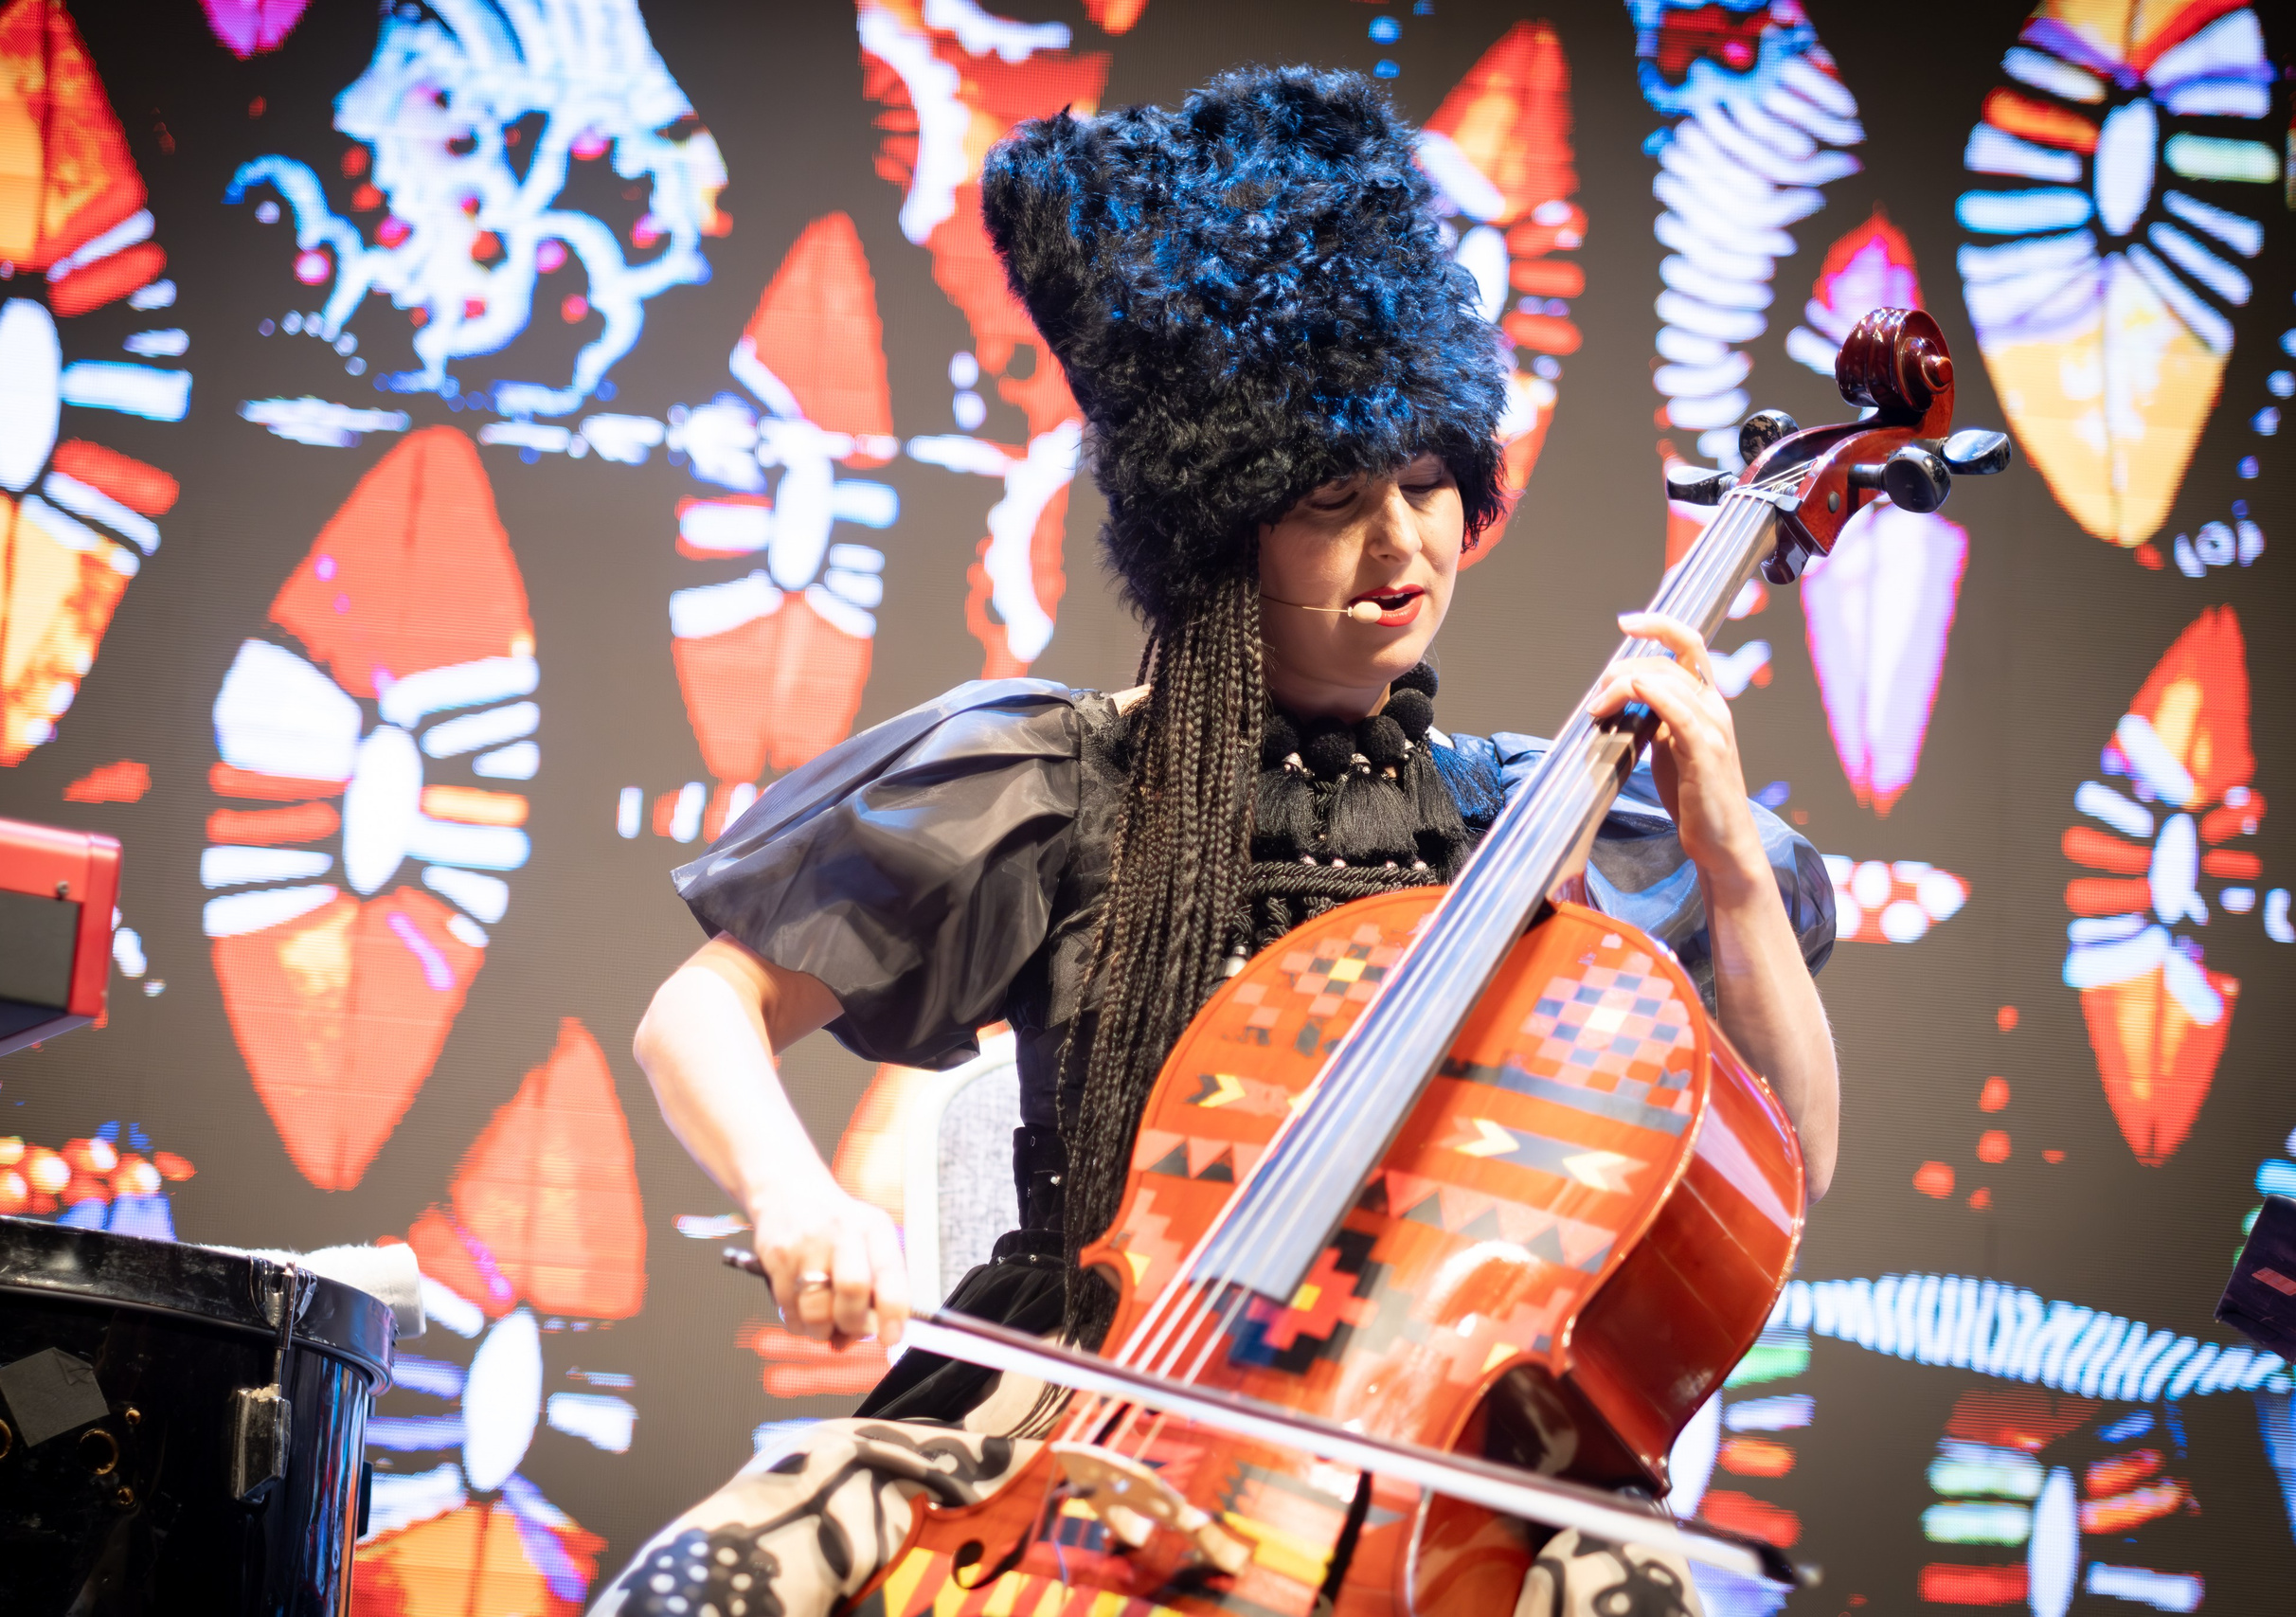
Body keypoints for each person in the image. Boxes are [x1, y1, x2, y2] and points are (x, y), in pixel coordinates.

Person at [606, 64, 1837, 1617]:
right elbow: (697, 1013)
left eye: (1429, 485)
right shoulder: (1057, 777)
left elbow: (1773, 1179)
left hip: (1424, 1448)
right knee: (721, 1576)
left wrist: (1732, 869)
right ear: (1218, 522)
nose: (1402, 544)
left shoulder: (1549, 820)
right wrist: (794, 1197)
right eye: (1334, 499)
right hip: (1069, 1407)